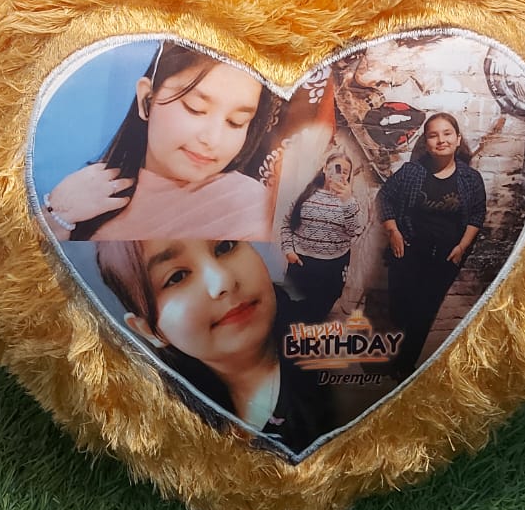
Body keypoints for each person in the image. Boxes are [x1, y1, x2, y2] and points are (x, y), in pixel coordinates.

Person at [95, 238, 330, 457]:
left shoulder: (340, 353)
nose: (223, 281)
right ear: (147, 330)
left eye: (225, 246)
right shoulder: (167, 418)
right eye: (177, 277)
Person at [41, 43, 278, 242]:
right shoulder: (87, 190)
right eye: (195, 109)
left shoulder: (249, 207)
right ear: (147, 100)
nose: (213, 140)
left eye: (236, 122)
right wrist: (56, 217)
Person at [376, 112, 487, 379]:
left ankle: (404, 368)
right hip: (407, 253)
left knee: (424, 314)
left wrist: (462, 246)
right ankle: (395, 356)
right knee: (400, 309)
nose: (441, 140)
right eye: (433, 135)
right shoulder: (411, 172)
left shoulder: (471, 179)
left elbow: (477, 215)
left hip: (444, 258)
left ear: (458, 139)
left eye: (447, 133)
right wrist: (392, 231)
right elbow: (386, 198)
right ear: (426, 143)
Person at [281, 151, 364, 323]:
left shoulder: (351, 201)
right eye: (336, 167)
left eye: (345, 171)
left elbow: (355, 231)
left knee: (319, 311)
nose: (340, 173)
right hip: (301, 261)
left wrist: (347, 202)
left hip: (333, 265)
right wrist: (288, 250)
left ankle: (306, 340)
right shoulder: (304, 195)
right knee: (290, 310)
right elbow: (287, 223)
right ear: (325, 169)